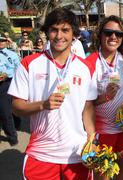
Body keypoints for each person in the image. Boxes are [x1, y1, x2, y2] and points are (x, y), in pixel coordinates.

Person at [8, 8, 97, 179]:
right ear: (47, 32)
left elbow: (88, 108)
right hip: (42, 153)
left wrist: (92, 139)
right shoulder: (29, 63)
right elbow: (16, 107)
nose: (59, 36)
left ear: (74, 34)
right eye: (54, 30)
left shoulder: (85, 67)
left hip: (77, 153)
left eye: (65, 30)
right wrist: (43, 105)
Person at [86, 15, 123, 180]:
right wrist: (105, 97)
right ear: (100, 35)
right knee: (103, 172)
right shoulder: (90, 62)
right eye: (108, 32)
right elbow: (83, 104)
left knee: (122, 167)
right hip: (101, 129)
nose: (113, 37)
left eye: (118, 34)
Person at [0, 32, 20, 146]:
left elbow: (18, 69)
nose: (1, 43)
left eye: (2, 40)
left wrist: (7, 74)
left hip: (7, 83)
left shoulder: (12, 54)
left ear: (6, 42)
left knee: (6, 111)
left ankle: (12, 137)